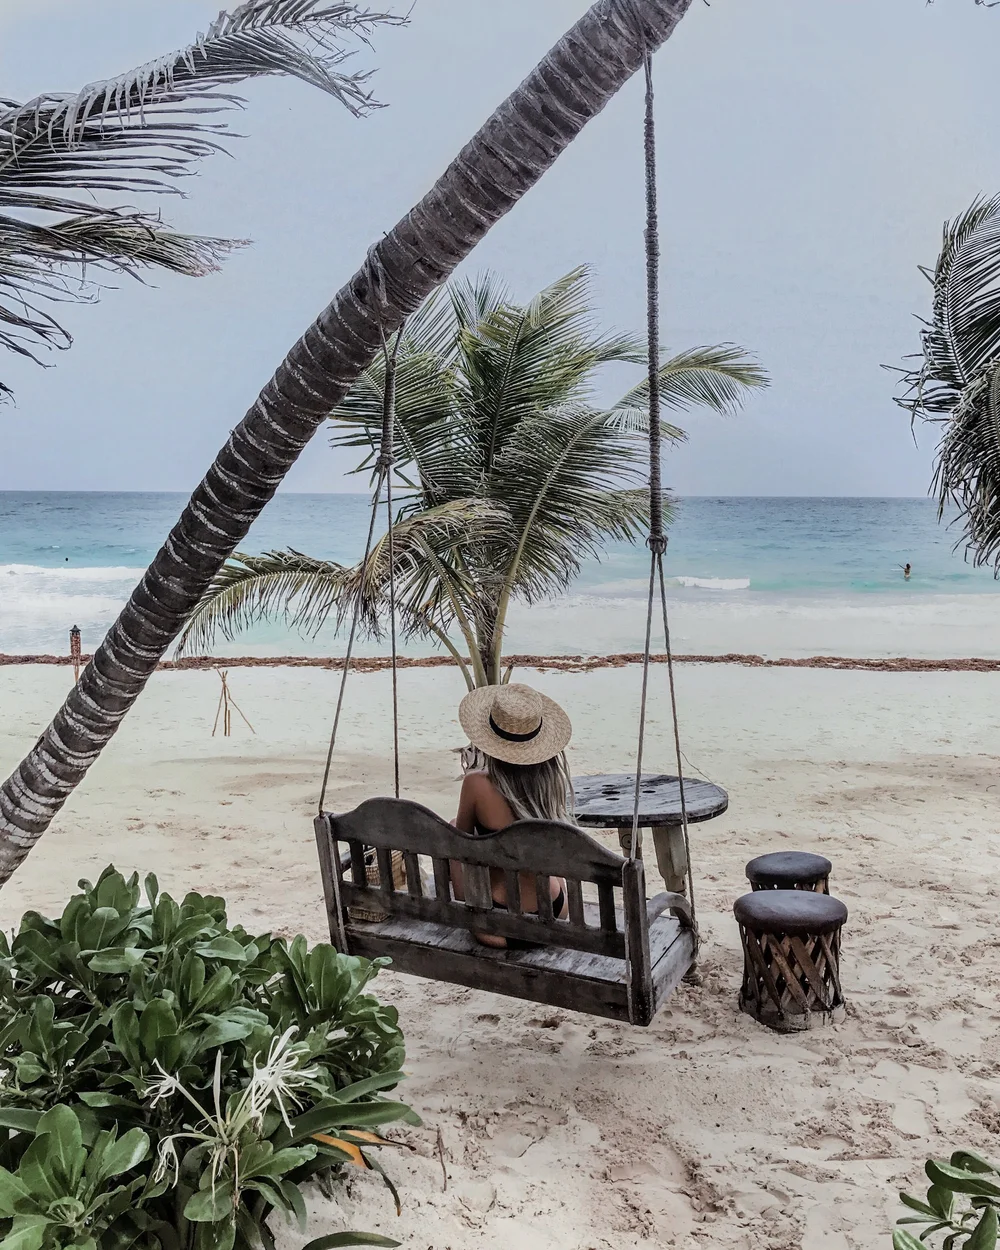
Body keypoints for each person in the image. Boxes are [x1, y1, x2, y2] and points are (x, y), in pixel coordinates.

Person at [452, 683, 573, 947]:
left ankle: (465, 909)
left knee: (454, 836)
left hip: (499, 926)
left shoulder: (476, 784)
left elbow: (461, 847)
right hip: (555, 911)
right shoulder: (549, 784)